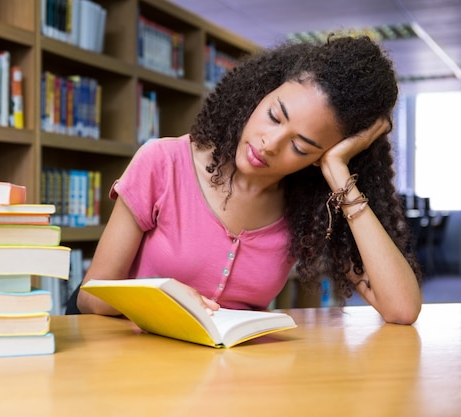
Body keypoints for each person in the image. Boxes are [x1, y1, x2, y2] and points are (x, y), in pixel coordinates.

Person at [75, 35, 423, 324]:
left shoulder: (309, 207)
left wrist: (338, 172)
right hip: (137, 372)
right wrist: (161, 294)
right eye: (274, 116)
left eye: (301, 147)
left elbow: (402, 308)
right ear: (261, 94)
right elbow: (90, 298)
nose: (269, 145)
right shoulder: (163, 162)